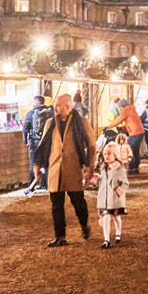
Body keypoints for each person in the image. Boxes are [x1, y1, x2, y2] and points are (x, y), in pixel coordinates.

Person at [33, 94, 96, 247]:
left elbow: (91, 145)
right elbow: (43, 145)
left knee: (78, 201)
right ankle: (60, 236)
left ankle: (84, 224)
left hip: (73, 169)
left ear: (68, 107)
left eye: (58, 105)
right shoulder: (50, 123)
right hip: (55, 169)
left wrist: (90, 167)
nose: (55, 107)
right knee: (56, 204)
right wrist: (37, 165)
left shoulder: (82, 122)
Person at [97, 142, 129, 249]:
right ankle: (106, 240)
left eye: (109, 154)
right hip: (104, 198)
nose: (106, 156)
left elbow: (125, 183)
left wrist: (119, 190)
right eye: (105, 154)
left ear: (115, 155)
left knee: (116, 217)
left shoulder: (120, 169)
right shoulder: (103, 168)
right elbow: (102, 181)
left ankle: (118, 233)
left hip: (114, 198)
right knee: (106, 218)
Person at [108, 99, 145, 173]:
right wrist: (123, 127)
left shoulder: (126, 110)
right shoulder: (132, 110)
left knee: (129, 150)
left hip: (135, 133)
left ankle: (131, 167)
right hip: (140, 132)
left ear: (122, 106)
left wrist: (109, 126)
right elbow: (131, 121)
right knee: (135, 150)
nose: (120, 110)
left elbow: (119, 120)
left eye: (120, 108)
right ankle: (135, 167)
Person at [22, 95, 46, 185]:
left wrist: (26, 141)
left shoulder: (30, 114)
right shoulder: (49, 113)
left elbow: (25, 129)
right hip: (45, 143)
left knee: (33, 163)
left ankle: (32, 184)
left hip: (33, 143)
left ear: (36, 103)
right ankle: (44, 184)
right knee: (45, 163)